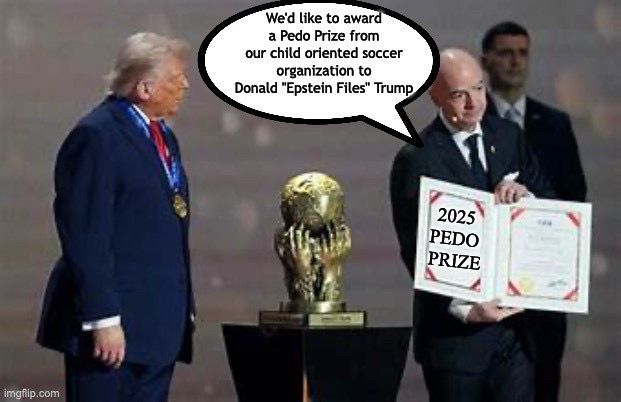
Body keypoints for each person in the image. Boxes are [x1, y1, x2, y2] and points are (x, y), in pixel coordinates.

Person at [36, 32, 195, 402]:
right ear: (144, 88)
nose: (185, 85)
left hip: (157, 329)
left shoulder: (163, 138)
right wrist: (103, 318)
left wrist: (181, 309)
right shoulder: (97, 136)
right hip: (111, 334)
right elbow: (86, 235)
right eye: (175, 78)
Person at [390, 48, 554, 402]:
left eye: (478, 88)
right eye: (458, 94)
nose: (473, 103)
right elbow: (414, 249)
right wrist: (465, 309)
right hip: (456, 344)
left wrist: (525, 196)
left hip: (516, 334)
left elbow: (549, 203)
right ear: (435, 97)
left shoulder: (509, 136)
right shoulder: (417, 158)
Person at [481, 21, 587, 402]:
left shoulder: (555, 123)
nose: (515, 61)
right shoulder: (471, 120)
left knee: (543, 387)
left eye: (522, 53)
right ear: (486, 60)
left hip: (544, 291)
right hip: (487, 293)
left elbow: (574, 195)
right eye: (506, 53)